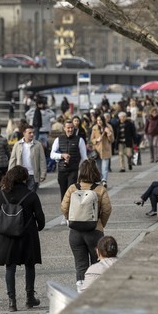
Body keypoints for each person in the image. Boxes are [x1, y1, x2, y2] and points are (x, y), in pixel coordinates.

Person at [0, 166, 45, 311]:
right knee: (30, 266)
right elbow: (40, 219)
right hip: (27, 235)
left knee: (10, 268)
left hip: (7, 236)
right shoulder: (31, 195)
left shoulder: (2, 194)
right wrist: (37, 227)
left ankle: (12, 301)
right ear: (24, 178)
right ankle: (29, 298)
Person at [61, 159, 112, 292]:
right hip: (94, 231)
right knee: (97, 262)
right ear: (95, 172)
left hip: (75, 232)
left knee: (80, 263)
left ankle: (81, 289)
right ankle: (95, 290)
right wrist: (101, 224)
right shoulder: (100, 190)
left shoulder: (73, 188)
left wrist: (70, 219)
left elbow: (63, 207)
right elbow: (107, 209)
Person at [51, 120, 88, 223]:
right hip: (62, 170)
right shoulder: (58, 140)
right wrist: (61, 155)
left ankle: (71, 215)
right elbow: (52, 154)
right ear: (64, 128)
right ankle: (65, 215)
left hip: (73, 170)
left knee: (72, 192)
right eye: (68, 128)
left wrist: (81, 168)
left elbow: (84, 157)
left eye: (72, 128)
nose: (70, 129)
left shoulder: (79, 140)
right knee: (63, 193)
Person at [8, 125, 48, 191]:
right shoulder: (17, 144)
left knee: (31, 195)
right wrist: (10, 173)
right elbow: (13, 159)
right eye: (29, 133)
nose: (32, 134)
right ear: (24, 133)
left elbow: (42, 160)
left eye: (33, 133)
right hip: (20, 175)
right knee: (21, 194)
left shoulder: (38, 145)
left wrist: (43, 174)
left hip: (33, 174)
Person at [89, 114, 114, 187]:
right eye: (97, 120)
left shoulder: (109, 127)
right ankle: (100, 180)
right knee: (98, 167)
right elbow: (91, 140)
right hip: (97, 151)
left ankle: (104, 180)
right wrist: (96, 140)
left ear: (103, 120)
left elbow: (112, 140)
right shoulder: (94, 128)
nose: (99, 122)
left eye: (100, 120)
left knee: (105, 167)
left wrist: (109, 133)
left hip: (106, 150)